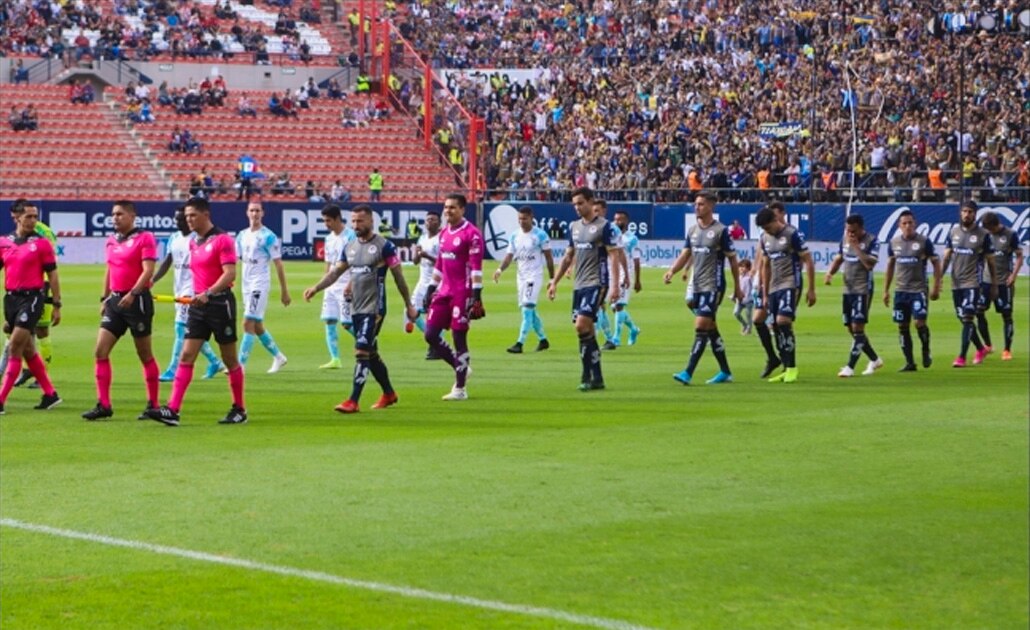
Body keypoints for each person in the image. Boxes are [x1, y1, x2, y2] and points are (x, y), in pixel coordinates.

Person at [303, 205, 418, 413]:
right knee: (370, 353)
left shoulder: (385, 246)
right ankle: (389, 393)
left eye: (361, 221)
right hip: (356, 308)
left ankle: (353, 400)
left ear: (371, 221)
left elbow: (399, 277)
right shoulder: (350, 247)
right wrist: (316, 288)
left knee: (361, 351)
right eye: (354, 221)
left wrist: (408, 304)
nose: (356, 225)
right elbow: (335, 273)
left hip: (375, 309)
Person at [146, 197, 246, 426]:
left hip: (220, 304)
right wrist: (196, 295)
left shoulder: (223, 240)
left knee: (230, 359)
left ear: (205, 215)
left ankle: (239, 408)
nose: (188, 220)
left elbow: (229, 274)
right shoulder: (194, 242)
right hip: (198, 306)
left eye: (192, 215)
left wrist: (208, 293)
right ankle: (172, 409)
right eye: (186, 216)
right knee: (187, 355)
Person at [81, 201, 160, 420]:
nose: (115, 218)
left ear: (132, 216)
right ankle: (103, 404)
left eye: (120, 214)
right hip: (115, 302)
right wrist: (104, 297)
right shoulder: (111, 241)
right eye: (113, 214)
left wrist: (133, 293)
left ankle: (153, 404)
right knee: (100, 351)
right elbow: (110, 269)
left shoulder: (145, 238)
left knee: (144, 354)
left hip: (137, 301)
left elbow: (148, 271)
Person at [662, 192, 743, 385]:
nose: (696, 207)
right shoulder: (692, 231)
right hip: (697, 285)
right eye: (696, 204)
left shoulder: (721, 231)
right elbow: (685, 254)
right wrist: (672, 271)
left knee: (700, 326)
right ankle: (725, 371)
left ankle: (688, 372)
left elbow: (732, 260)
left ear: (711, 207)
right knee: (711, 328)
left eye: (701, 204)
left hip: (713, 285)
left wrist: (738, 287)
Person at [547, 187, 622, 391]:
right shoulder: (574, 227)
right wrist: (555, 281)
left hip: (597, 282)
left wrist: (615, 286)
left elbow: (614, 256)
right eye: (575, 204)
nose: (577, 208)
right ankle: (597, 377)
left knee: (582, 325)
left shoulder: (605, 227)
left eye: (580, 203)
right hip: (579, 285)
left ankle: (585, 374)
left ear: (590, 202)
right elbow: (568, 256)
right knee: (585, 331)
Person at [0, 199, 62, 414]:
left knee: (15, 346)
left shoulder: (42, 243)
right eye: (28, 216)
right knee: (28, 349)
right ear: (16, 217)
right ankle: (50, 394)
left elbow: (53, 274)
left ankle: (0, 400)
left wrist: (56, 303)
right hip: (11, 299)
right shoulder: (4, 242)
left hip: (33, 298)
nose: (33, 220)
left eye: (35, 216)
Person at [423, 194, 485, 400]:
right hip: (445, 290)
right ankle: (461, 366)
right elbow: (440, 263)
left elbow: (476, 268)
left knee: (459, 337)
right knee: (430, 334)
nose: (448, 211)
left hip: (463, 292)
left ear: (462, 210)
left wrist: (476, 296)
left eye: (452, 208)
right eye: (446, 207)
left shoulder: (472, 234)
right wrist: (431, 288)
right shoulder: (444, 234)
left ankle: (460, 389)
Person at [152, 207, 224, 381]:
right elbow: (167, 262)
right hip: (178, 287)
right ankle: (215, 362)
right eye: (176, 219)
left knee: (180, 327)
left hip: (192, 288)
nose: (177, 222)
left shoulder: (197, 238)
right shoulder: (174, 238)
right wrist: (152, 280)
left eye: (180, 219)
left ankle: (172, 369)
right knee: (191, 331)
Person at [756, 205, 816, 383]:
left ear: (775, 220)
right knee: (775, 325)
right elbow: (766, 266)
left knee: (783, 321)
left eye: (768, 227)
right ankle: (785, 366)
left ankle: (792, 368)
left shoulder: (792, 234)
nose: (767, 231)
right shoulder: (764, 238)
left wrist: (811, 289)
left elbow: (808, 261)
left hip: (791, 283)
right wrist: (765, 294)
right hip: (774, 286)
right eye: (764, 229)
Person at [882, 209, 943, 371]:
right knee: (902, 326)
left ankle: (925, 349)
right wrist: (886, 290)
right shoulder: (894, 243)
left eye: (910, 223)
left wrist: (937, 285)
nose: (908, 226)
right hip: (900, 291)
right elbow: (890, 266)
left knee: (919, 322)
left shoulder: (924, 242)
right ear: (899, 225)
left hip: (918, 290)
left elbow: (936, 263)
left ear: (914, 223)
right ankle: (910, 362)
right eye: (904, 223)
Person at [824, 214, 884, 377]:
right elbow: (839, 258)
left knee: (858, 327)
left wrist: (856, 247)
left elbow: (869, 265)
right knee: (851, 328)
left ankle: (850, 367)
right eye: (848, 230)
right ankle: (875, 359)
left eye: (853, 231)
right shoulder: (845, 239)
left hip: (863, 289)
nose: (850, 234)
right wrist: (830, 272)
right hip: (847, 289)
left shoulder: (872, 240)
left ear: (861, 228)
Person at [235, 201, 291, 373]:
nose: (255, 213)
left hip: (259, 283)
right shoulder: (241, 235)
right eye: (252, 210)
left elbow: (279, 265)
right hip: (246, 284)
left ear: (262, 213)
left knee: (247, 322)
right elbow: (236, 261)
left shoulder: (269, 236)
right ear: (247, 213)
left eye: (257, 210)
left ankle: (239, 365)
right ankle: (279, 357)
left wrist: (284, 291)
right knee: (257, 325)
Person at [941, 200, 997, 368]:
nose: (967, 214)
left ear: (975, 214)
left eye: (970, 212)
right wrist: (939, 279)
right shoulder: (953, 232)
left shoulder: (983, 235)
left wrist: (994, 284)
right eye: (964, 211)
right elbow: (946, 257)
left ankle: (961, 357)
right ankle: (981, 348)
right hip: (956, 283)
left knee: (967, 318)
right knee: (963, 318)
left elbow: (991, 262)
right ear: (960, 213)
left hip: (973, 282)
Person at [492, 206, 554, 353]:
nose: (521, 221)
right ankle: (543, 340)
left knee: (527, 309)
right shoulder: (514, 236)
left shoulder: (540, 235)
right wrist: (500, 269)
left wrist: (552, 279)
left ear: (532, 217)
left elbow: (549, 258)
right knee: (529, 310)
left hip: (534, 276)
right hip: (521, 277)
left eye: (524, 218)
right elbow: (509, 256)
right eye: (519, 218)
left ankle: (519, 343)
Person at [980, 212, 1025, 360]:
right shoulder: (985, 235)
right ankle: (987, 345)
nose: (987, 232)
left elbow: (1019, 255)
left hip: (1003, 282)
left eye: (989, 229)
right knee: (979, 311)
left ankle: (1007, 349)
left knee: (1006, 315)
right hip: (986, 281)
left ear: (994, 225)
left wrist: (1014, 275)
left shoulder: (1010, 234)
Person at [317, 204, 357, 369]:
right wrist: (324, 283)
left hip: (345, 282)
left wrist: (351, 283)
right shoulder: (328, 238)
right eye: (324, 221)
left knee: (347, 323)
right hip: (331, 285)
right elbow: (329, 263)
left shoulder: (351, 236)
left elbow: (356, 262)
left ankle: (368, 340)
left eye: (328, 221)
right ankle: (335, 359)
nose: (326, 224)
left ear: (338, 219)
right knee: (329, 320)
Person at [590, 199, 627, 350]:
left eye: (597, 210)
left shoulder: (612, 229)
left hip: (608, 273)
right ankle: (608, 338)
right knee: (600, 306)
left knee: (601, 305)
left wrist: (625, 275)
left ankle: (607, 338)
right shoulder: (590, 228)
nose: (595, 213)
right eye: (593, 210)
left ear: (604, 211)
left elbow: (620, 254)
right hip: (593, 272)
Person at [409, 208, 441, 358]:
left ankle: (433, 346)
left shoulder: (441, 238)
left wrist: (427, 255)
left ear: (439, 222)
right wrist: (417, 254)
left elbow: (444, 263)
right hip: (422, 281)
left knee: (431, 315)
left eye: (433, 220)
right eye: (428, 220)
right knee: (410, 311)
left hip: (437, 282)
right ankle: (436, 341)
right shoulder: (422, 238)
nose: (430, 222)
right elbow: (415, 261)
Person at [612, 209, 642, 346]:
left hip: (626, 273)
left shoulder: (632, 239)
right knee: (615, 308)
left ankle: (616, 338)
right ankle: (634, 329)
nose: (618, 222)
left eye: (621, 219)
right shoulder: (612, 235)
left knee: (619, 306)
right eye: (616, 219)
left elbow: (636, 260)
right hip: (613, 272)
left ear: (626, 221)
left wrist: (637, 280)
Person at [733, 259, 755, 335]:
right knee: (736, 313)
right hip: (740, 299)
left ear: (748, 268)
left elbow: (751, 288)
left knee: (748, 315)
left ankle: (749, 329)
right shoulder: (738, 277)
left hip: (748, 300)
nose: (741, 269)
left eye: (744, 267)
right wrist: (734, 295)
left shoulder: (749, 278)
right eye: (740, 267)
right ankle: (744, 324)